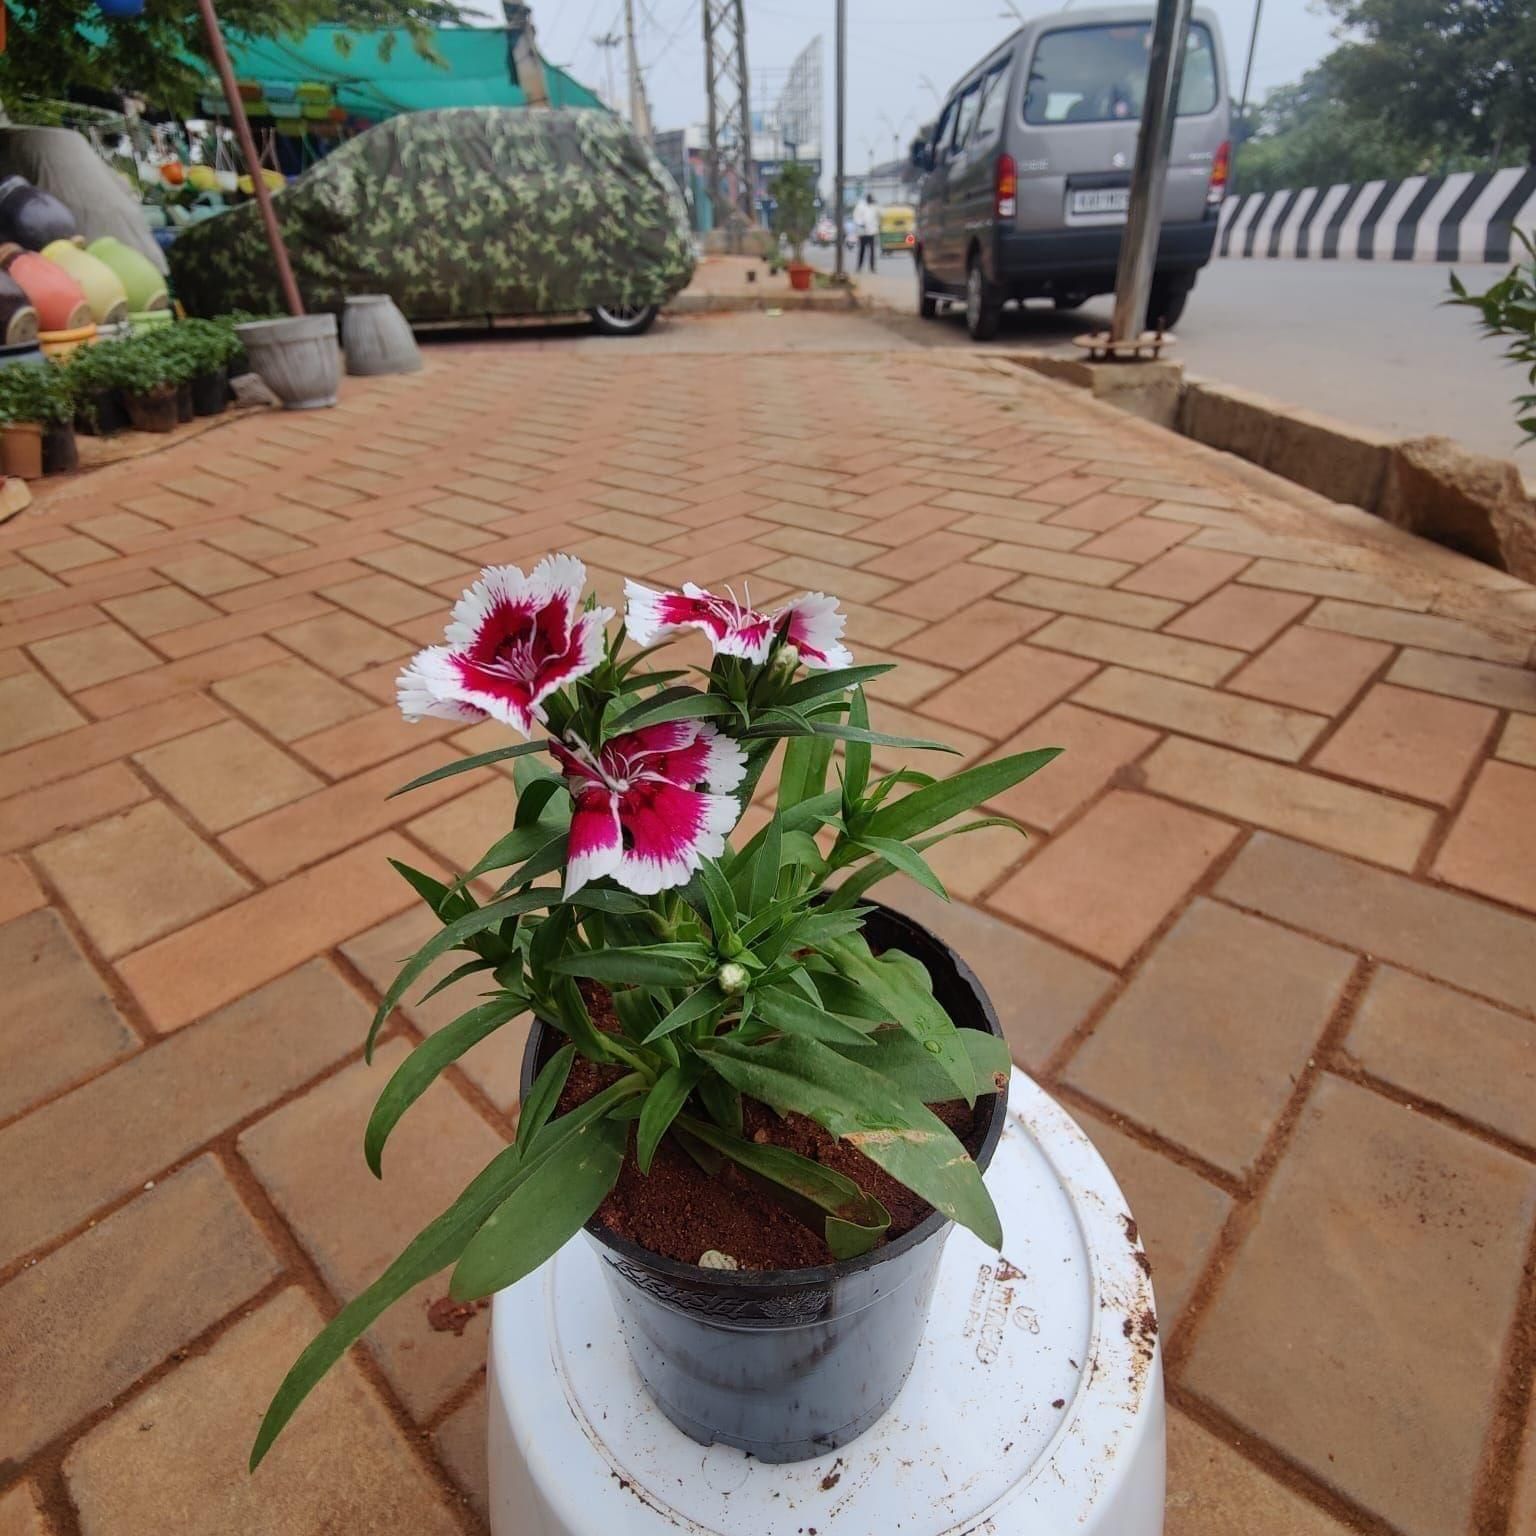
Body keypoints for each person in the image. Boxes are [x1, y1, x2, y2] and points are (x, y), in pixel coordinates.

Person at [853, 193, 879, 272]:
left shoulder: (874, 207)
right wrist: (861, 223)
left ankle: (872, 267)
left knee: (872, 251)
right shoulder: (860, 206)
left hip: (871, 232)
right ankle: (859, 267)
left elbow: (877, 217)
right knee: (862, 251)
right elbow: (856, 217)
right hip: (863, 233)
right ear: (867, 199)